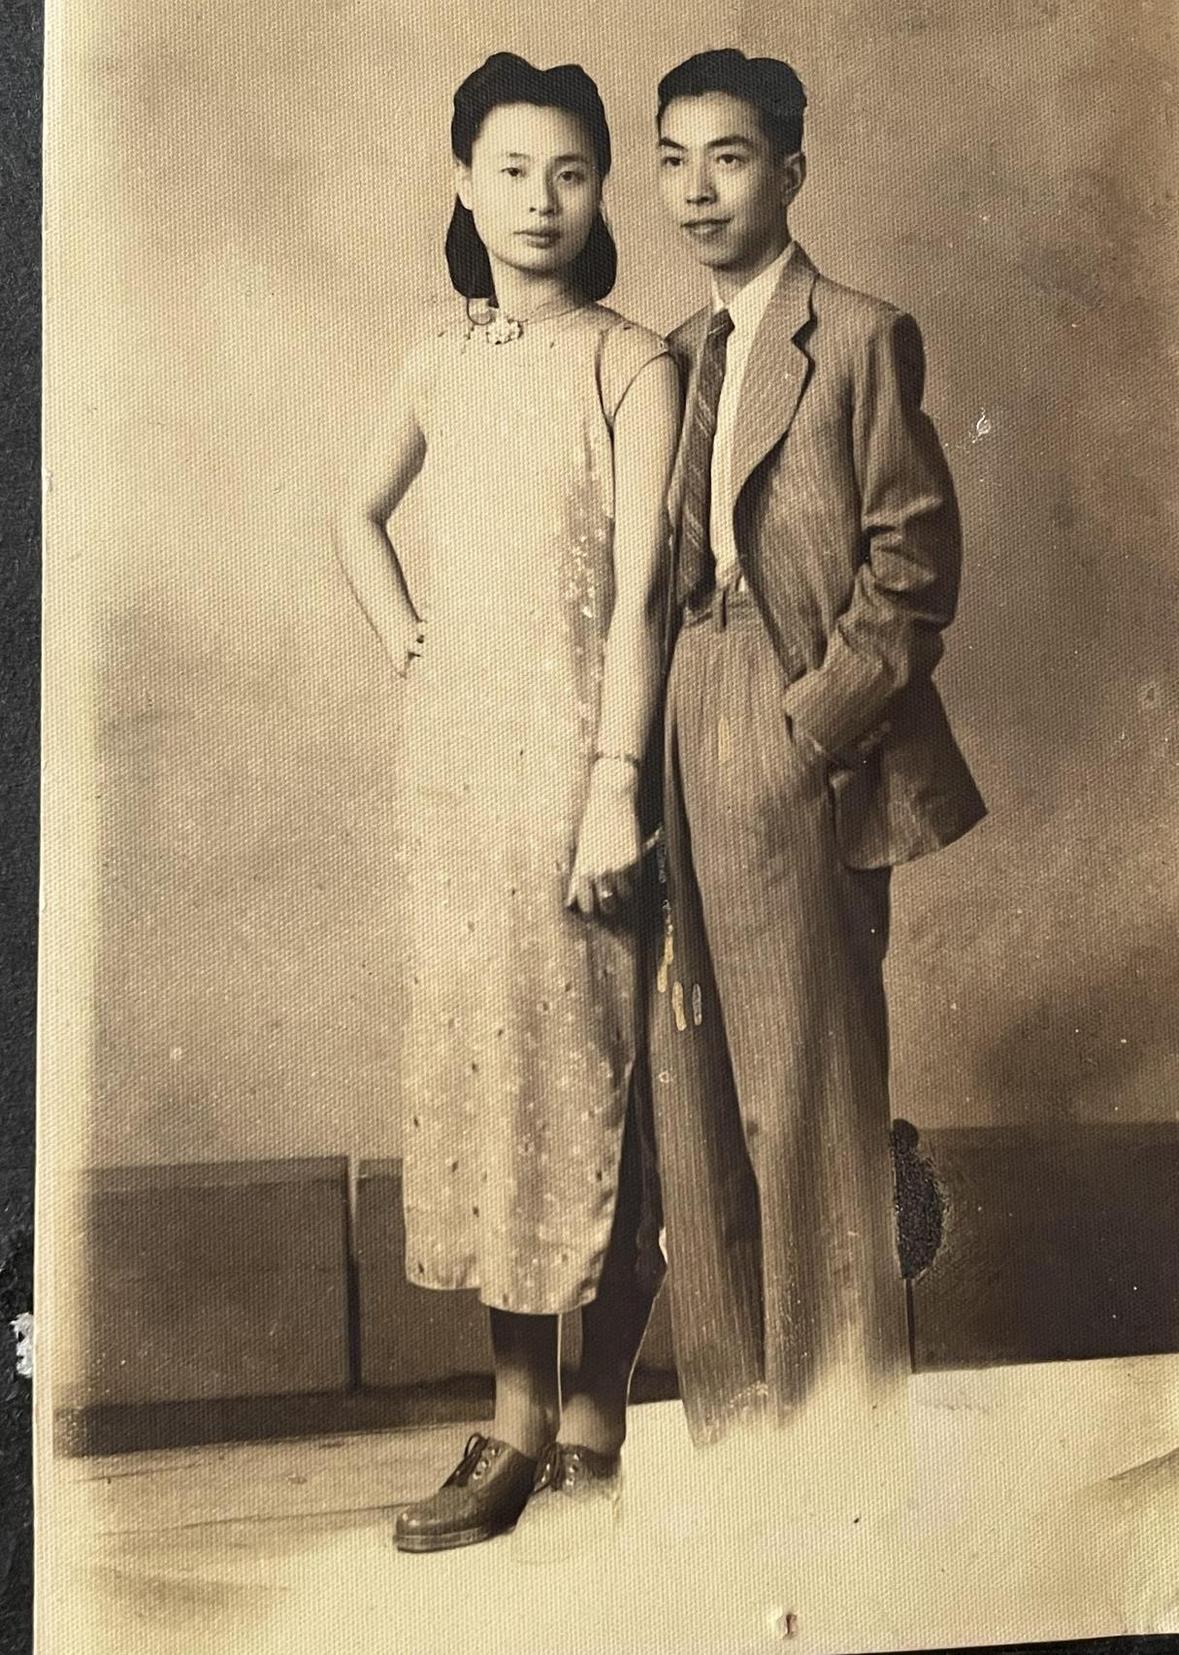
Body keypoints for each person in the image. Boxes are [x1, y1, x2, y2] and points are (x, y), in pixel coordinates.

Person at [332, 52, 680, 1550]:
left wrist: (614, 787)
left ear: (600, 191)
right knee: (493, 1074)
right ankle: (520, 1417)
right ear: (465, 186)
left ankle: (592, 1408)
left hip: (587, 764)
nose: (542, 201)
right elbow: (352, 515)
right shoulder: (438, 359)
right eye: (513, 171)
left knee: (596, 1074)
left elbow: (647, 594)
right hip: (459, 779)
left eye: (572, 173)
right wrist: (414, 646)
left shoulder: (632, 362)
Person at [649, 49, 986, 1445]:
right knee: (695, 1087)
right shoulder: (674, 354)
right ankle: (735, 1436)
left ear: (789, 172)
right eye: (672, 158)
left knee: (807, 1093)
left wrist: (811, 725)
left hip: (795, 720)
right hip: (680, 703)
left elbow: (912, 562)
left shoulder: (855, 336)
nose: (696, 188)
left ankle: (837, 1439)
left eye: (727, 157)